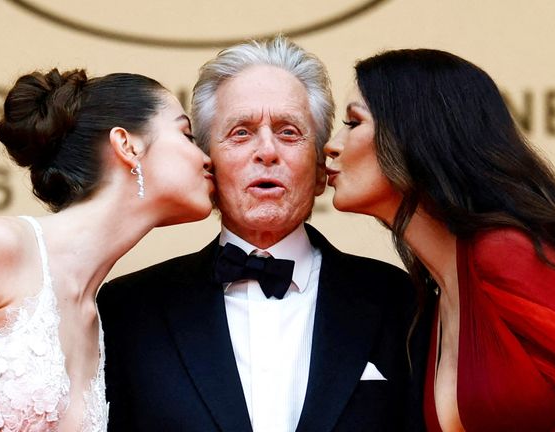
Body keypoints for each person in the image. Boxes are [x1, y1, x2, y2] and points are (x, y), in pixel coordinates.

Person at [97, 36, 428, 432]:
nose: (267, 151)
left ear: (322, 169)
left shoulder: (402, 301)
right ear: (207, 166)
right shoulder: (130, 309)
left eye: (289, 132)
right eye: (241, 132)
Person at [0, 68, 214, 431]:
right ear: (127, 145)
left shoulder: (99, 321)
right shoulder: (3, 247)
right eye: (187, 135)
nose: (206, 158)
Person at [323, 48, 555, 431]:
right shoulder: (438, 298)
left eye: (353, 122)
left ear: (415, 133)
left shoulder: (508, 254)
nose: (332, 144)